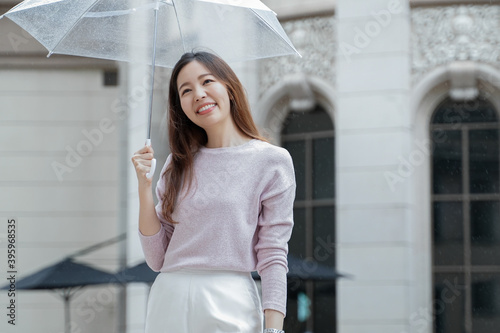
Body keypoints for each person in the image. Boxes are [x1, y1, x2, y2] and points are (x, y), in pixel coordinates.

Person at [131, 51, 296, 333]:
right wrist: (144, 187)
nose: (198, 94)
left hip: (230, 299)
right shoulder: (177, 163)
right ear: (180, 105)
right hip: (169, 298)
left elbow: (273, 253)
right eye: (186, 90)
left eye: (207, 81)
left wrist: (274, 329)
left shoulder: (271, 161)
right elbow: (157, 259)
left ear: (229, 87)